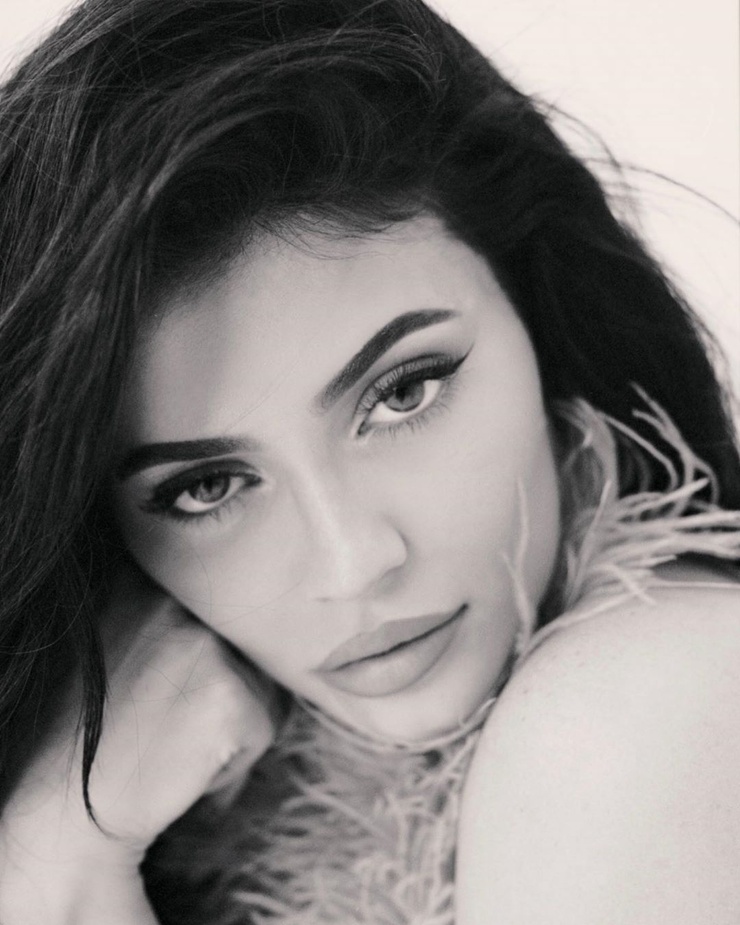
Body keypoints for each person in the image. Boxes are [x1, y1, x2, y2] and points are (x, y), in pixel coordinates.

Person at [0, 0, 739, 922]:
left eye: (404, 393)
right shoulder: (251, 831)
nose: (353, 561)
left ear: (535, 309)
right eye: (207, 487)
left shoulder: (628, 713)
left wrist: (58, 864)